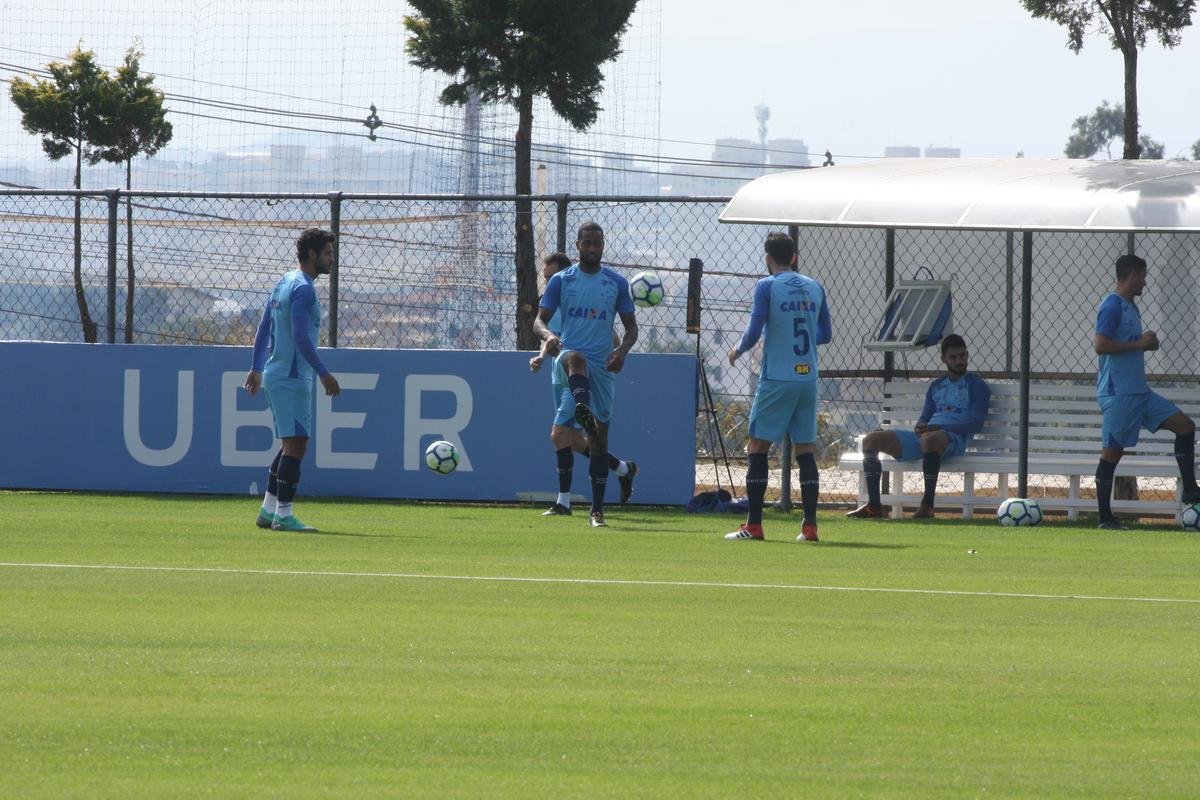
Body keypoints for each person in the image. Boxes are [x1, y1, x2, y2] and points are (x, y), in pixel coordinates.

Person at [725, 231, 832, 543]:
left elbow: (754, 329)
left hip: (777, 379)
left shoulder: (766, 286)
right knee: (805, 449)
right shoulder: (815, 286)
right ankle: (809, 527)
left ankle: (754, 526)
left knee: (757, 447)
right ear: (794, 257)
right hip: (808, 379)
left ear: (767, 258)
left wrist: (737, 350)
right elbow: (825, 334)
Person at [534, 223, 638, 528]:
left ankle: (597, 511)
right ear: (577, 245)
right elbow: (538, 321)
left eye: (597, 243)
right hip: (569, 359)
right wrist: (549, 337)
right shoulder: (561, 281)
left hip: (603, 366)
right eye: (587, 243)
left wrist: (621, 352)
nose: (593, 249)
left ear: (603, 245)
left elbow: (631, 328)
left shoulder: (616, 283)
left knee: (597, 441)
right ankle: (583, 408)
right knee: (576, 359)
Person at [1091, 254, 1200, 530]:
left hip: (1140, 392)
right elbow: (1101, 345)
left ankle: (1190, 491)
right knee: (1112, 454)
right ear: (1132, 275)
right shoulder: (1112, 305)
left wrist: (1147, 344)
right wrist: (1139, 344)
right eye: (1143, 276)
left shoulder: (1132, 307)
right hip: (1119, 394)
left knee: (1185, 426)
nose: (1145, 282)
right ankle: (1105, 518)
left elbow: (1129, 344)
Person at [243, 228, 341, 532]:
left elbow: (264, 327)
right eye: (327, 253)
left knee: (290, 443)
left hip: (276, 374)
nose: (332, 259)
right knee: (297, 445)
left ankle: (268, 510)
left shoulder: (285, 281)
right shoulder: (304, 289)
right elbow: (300, 336)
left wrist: (257, 367)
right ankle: (283, 515)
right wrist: (323, 372)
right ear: (312, 254)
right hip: (292, 376)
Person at [846, 334, 990, 520]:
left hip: (952, 439)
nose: (959, 361)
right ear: (943, 359)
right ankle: (874, 506)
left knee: (929, 440)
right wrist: (920, 426)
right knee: (870, 440)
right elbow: (924, 418)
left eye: (962, 356)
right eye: (953, 357)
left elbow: (976, 424)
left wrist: (936, 427)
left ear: (967, 355)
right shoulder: (937, 386)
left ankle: (927, 506)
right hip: (928, 436)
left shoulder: (976, 385)